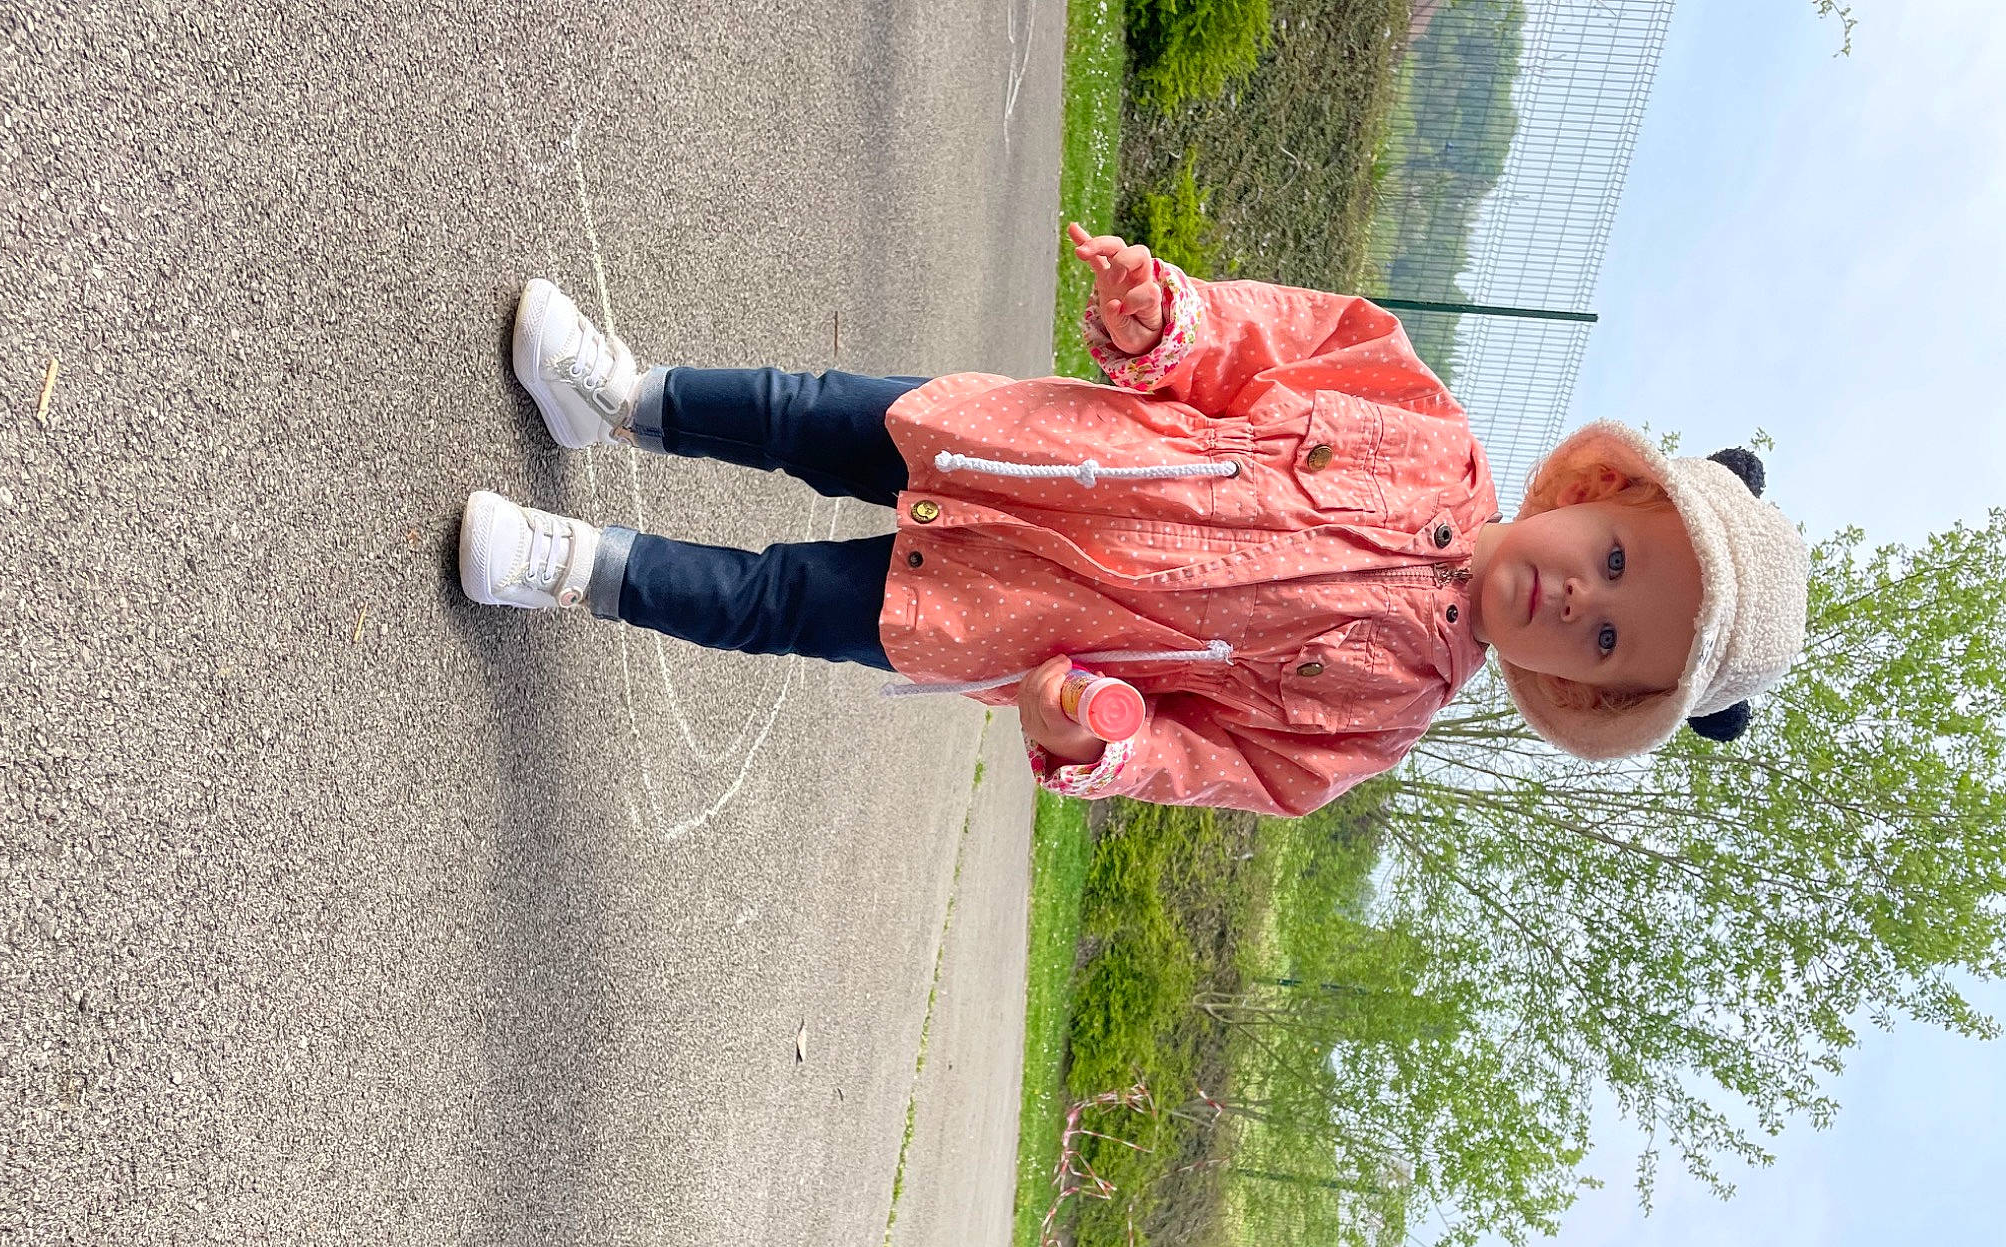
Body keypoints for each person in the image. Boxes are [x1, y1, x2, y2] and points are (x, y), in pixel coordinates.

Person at [458, 224, 1809, 816]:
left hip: (1011, 624)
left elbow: (1198, 762)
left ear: (1578, 696)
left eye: (1610, 640)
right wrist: (1167, 321)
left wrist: (1099, 749)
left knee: (778, 603)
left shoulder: (1373, 728)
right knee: (812, 414)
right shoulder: (1420, 416)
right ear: (1592, 495)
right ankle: (622, 399)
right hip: (1025, 452)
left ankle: (576, 567)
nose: (1583, 601)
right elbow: (1251, 346)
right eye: (1617, 564)